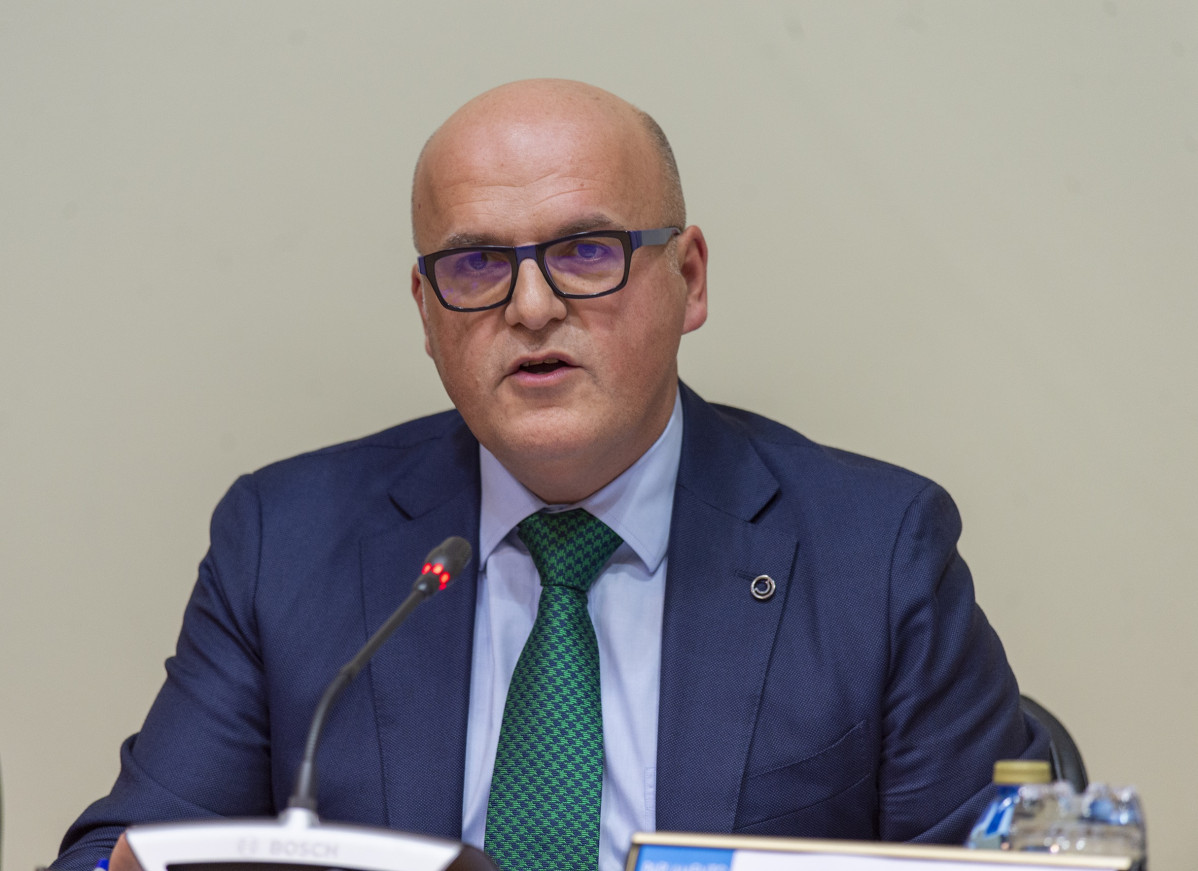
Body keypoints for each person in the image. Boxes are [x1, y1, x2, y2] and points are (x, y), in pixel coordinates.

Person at [55, 79, 1048, 871]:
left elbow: (996, 859)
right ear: (426, 311)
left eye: (585, 250)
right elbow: (125, 850)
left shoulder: (876, 553)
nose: (531, 307)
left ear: (689, 278)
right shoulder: (286, 543)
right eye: (477, 265)